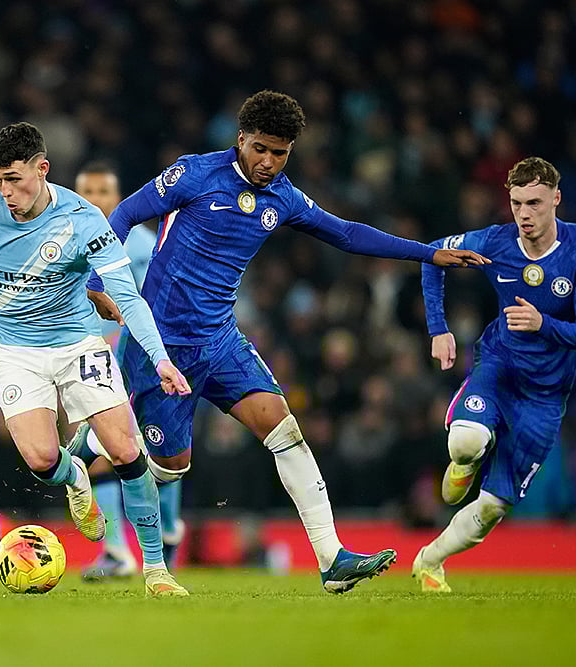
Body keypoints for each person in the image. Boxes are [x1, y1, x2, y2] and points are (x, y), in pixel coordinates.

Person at [86, 90, 488, 593]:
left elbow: (346, 233)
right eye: (260, 149)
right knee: (169, 466)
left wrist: (427, 254)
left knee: (283, 427)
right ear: (241, 139)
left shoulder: (284, 197)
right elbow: (122, 214)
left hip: (221, 340)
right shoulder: (194, 174)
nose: (268, 162)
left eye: (280, 152)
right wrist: (100, 283)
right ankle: (83, 456)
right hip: (160, 346)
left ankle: (331, 558)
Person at [0, 122, 192, 597]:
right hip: (14, 352)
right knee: (41, 459)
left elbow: (127, 297)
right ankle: (75, 476)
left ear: (42, 168)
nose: (5, 192)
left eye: (14, 178)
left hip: (78, 345)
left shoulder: (84, 220)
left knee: (127, 449)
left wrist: (160, 360)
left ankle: (156, 570)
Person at [411, 156, 576, 592]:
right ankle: (467, 457)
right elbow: (431, 257)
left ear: (556, 199)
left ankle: (430, 560)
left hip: (546, 394)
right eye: (517, 203)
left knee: (494, 507)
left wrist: (543, 324)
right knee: (464, 441)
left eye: (535, 203)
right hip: (499, 367)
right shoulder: (497, 243)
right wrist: (439, 329)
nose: (524, 214)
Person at [71, 162, 185, 581]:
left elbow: (154, 301)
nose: (95, 199)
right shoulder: (68, 239)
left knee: (155, 450)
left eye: (104, 191)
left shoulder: (140, 243)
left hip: (136, 360)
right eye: (88, 191)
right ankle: (118, 550)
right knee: (104, 450)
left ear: (118, 199)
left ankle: (168, 528)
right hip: (87, 360)